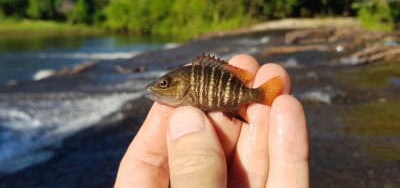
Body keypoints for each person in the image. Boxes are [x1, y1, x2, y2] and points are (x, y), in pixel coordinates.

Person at [115, 54, 309, 188]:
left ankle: (262, 95)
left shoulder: (187, 94)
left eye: (164, 84)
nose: (156, 88)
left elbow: (242, 76)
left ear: (181, 86)